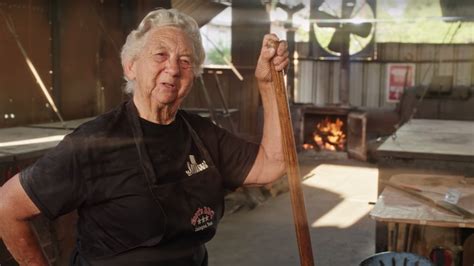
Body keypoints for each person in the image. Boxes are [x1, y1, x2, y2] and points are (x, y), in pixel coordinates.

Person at [0, 8, 288, 266]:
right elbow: (6, 207)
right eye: (160, 55)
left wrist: (267, 85)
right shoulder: (94, 143)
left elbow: (272, 163)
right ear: (131, 66)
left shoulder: (202, 134)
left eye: (185, 61)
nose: (173, 69)